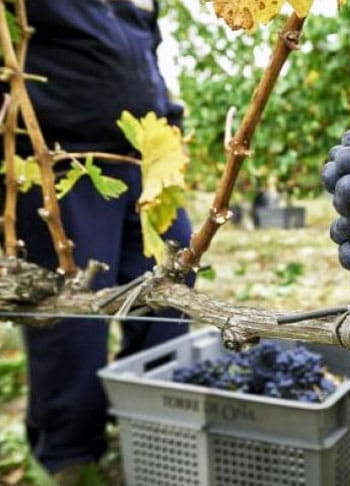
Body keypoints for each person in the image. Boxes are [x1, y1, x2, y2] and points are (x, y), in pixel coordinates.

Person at [6, 1, 193, 482]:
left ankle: (150, 426)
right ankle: (69, 454)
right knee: (73, 318)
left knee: (168, 294)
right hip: (63, 166)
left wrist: (172, 122)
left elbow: (145, 58)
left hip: (143, 167)